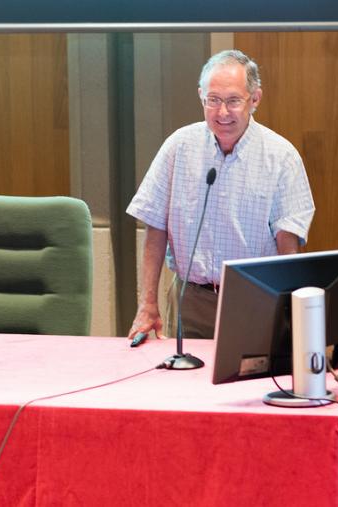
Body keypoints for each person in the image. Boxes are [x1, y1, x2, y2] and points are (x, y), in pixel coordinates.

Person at [126, 49, 315, 341]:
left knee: (251, 385)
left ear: (255, 99)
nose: (222, 112)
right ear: (201, 96)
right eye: (213, 100)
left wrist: (291, 314)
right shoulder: (179, 147)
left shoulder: (281, 157)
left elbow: (288, 247)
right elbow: (155, 227)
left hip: (256, 301)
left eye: (233, 101)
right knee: (182, 385)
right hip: (191, 300)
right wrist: (147, 303)